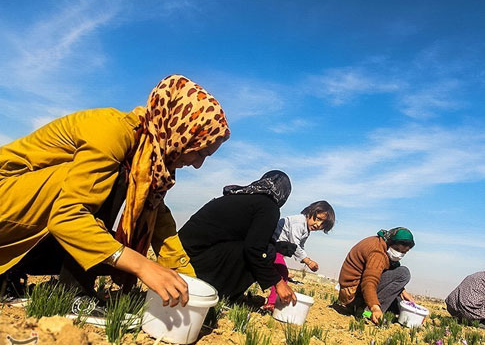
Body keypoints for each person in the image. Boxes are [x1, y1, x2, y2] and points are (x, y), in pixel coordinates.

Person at [0, 74, 230, 309]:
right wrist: (142, 265)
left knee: (111, 250)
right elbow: (66, 216)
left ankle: (9, 274)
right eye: (199, 152)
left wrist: (189, 283)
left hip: (20, 219)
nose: (197, 164)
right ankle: (74, 295)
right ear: (181, 133)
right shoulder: (115, 133)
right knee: (116, 187)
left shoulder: (148, 160)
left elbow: (161, 224)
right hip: (6, 202)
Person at [177, 170, 297, 305]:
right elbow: (254, 249)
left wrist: (278, 246)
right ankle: (220, 294)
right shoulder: (268, 207)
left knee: (267, 249)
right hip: (193, 264)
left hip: (181, 255)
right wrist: (278, 282)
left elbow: (239, 236)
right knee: (267, 253)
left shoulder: (244, 197)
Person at [262, 200, 336, 312]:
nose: (318, 225)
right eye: (319, 219)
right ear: (311, 211)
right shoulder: (299, 223)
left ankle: (272, 301)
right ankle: (272, 302)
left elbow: (300, 246)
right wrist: (308, 261)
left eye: (323, 224)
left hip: (278, 249)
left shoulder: (306, 229)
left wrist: (305, 258)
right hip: (272, 246)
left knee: (280, 273)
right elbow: (294, 243)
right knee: (282, 274)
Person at [337, 227, 415, 324]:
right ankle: (365, 311)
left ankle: (367, 308)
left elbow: (391, 269)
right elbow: (369, 280)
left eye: (403, 252)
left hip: (352, 293)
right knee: (403, 273)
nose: (399, 254)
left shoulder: (381, 244)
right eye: (397, 249)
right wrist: (374, 307)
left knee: (399, 304)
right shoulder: (377, 253)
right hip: (353, 296)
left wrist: (402, 290)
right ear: (390, 242)